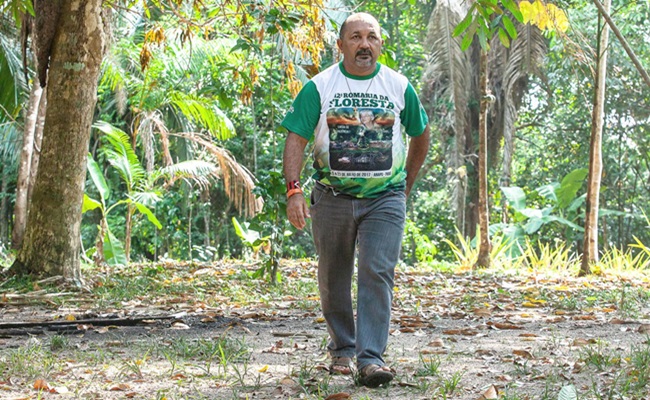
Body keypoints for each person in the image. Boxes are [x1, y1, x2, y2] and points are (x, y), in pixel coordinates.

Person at [281, 12, 430, 388]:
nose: (365, 44)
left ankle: (371, 359)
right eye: (356, 37)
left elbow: (421, 134)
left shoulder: (398, 85)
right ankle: (343, 350)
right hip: (331, 196)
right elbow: (296, 139)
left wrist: (405, 184)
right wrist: (294, 189)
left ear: (381, 44)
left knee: (376, 271)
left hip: (386, 198)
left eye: (372, 37)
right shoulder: (319, 87)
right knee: (333, 274)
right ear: (341, 45)